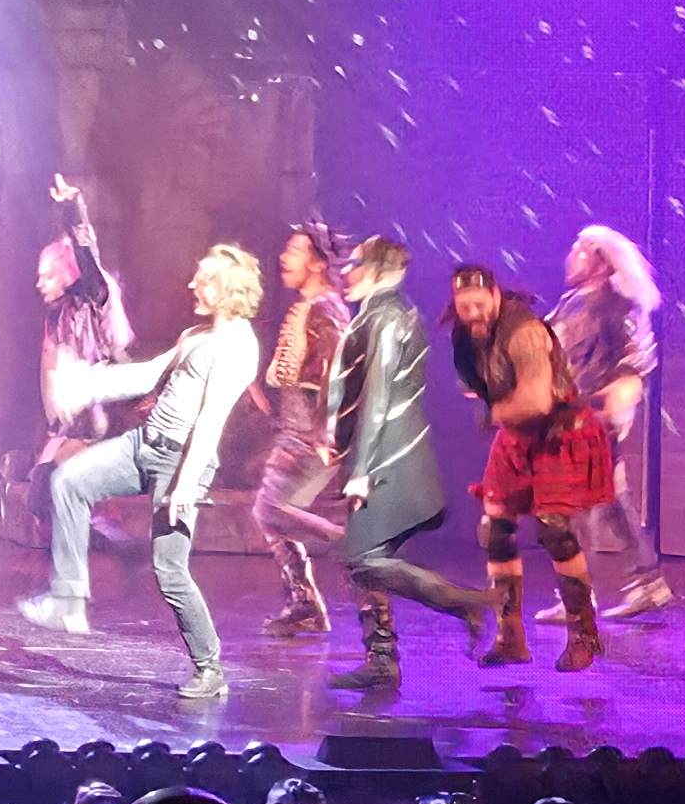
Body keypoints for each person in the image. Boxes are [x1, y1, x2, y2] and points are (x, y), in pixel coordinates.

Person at [17, 240, 267, 707]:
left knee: (170, 570)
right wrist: (88, 383)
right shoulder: (198, 334)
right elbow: (149, 374)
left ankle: (209, 666)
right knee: (67, 482)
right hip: (143, 445)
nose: (192, 284)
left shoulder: (237, 345)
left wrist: (187, 482)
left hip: (180, 462)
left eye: (203, 279)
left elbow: (211, 419)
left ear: (227, 288)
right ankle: (68, 600)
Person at [319, 233, 492, 686]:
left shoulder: (387, 318)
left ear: (380, 269)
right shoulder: (378, 315)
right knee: (364, 561)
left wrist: (361, 470)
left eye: (357, 264)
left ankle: (463, 603)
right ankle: (382, 658)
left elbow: (378, 396)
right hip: (377, 454)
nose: (347, 273)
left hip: (388, 459)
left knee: (362, 560)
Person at [450, 259, 611, 673]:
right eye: (465, 307)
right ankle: (510, 637)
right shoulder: (465, 337)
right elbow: (476, 387)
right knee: (495, 529)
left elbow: (537, 402)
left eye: (480, 304)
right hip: (516, 436)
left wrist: (495, 409)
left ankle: (584, 634)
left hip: (559, 432)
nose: (473, 313)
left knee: (554, 529)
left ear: (495, 295)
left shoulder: (524, 331)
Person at [559, 219, 671, 616]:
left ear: (603, 263)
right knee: (606, 499)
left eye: (581, 250)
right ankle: (646, 583)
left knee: (576, 503)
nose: (572, 256)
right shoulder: (571, 302)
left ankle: (580, 593)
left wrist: (616, 406)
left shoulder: (617, 306)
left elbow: (632, 361)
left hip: (593, 418)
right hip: (569, 416)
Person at [251, 219, 349, 640]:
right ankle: (304, 603)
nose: (284, 258)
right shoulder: (311, 307)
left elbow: (333, 377)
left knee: (269, 511)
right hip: (296, 428)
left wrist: (325, 434)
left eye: (294, 251)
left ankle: (350, 545)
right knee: (271, 516)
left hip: (308, 433)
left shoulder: (325, 310)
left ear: (317, 263)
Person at [32, 176, 137, 468]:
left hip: (96, 424)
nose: (39, 284)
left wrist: (74, 209)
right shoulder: (57, 315)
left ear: (68, 273)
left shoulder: (91, 298)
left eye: (48, 276)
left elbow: (86, 255)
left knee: (52, 480)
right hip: (69, 427)